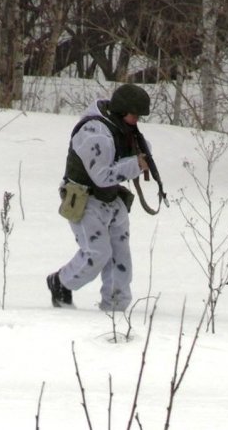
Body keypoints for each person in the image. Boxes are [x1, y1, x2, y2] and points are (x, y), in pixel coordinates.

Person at [47, 84, 151, 311]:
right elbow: (102, 176)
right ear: (122, 111)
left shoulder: (121, 127)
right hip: (84, 201)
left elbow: (131, 154)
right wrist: (136, 164)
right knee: (97, 253)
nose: (136, 121)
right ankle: (60, 282)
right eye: (135, 115)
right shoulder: (94, 133)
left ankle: (115, 309)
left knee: (120, 258)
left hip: (112, 200)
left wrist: (142, 154)